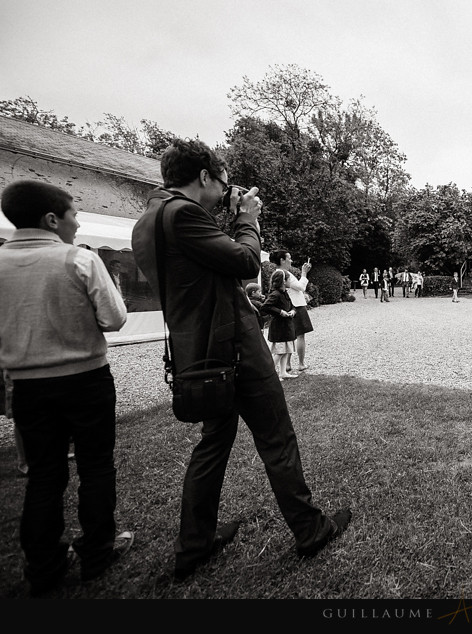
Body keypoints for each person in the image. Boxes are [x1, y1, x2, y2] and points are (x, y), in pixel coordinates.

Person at [130, 139, 350, 580]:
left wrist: (232, 236)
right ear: (206, 177)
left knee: (214, 442)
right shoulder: (184, 214)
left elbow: (206, 271)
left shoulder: (148, 220)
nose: (228, 189)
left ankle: (194, 545)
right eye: (224, 181)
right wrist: (247, 220)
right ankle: (310, 529)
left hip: (197, 349)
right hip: (233, 348)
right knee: (276, 437)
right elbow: (247, 260)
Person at [0, 180, 132, 596]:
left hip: (27, 386)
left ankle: (43, 565)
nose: (78, 222)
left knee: (43, 475)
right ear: (52, 219)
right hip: (84, 378)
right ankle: (97, 550)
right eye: (75, 214)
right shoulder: (79, 260)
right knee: (95, 466)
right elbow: (114, 319)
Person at [269, 250, 314, 373]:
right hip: (297, 306)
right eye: (289, 258)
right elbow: (300, 286)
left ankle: (287, 365)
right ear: (282, 260)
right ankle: (301, 363)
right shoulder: (284, 273)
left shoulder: (280, 273)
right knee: (300, 335)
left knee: (290, 336)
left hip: (290, 305)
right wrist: (304, 273)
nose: (291, 260)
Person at [263, 269, 298, 380]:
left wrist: (292, 311)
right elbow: (265, 306)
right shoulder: (276, 294)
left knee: (285, 351)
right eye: (288, 279)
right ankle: (269, 374)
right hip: (279, 327)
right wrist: (280, 312)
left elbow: (292, 306)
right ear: (283, 281)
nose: (290, 281)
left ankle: (283, 372)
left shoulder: (285, 293)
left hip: (287, 326)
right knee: (279, 352)